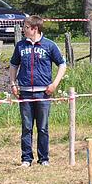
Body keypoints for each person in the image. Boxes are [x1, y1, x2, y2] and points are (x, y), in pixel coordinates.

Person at [8, 15, 67, 167]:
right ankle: (26, 158)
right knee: (26, 127)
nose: (23, 30)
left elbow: (62, 64)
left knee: (43, 127)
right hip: (25, 92)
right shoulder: (20, 46)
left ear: (35, 29)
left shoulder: (49, 45)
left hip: (43, 93)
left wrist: (54, 83)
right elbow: (13, 65)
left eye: (26, 27)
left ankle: (44, 158)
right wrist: (13, 84)